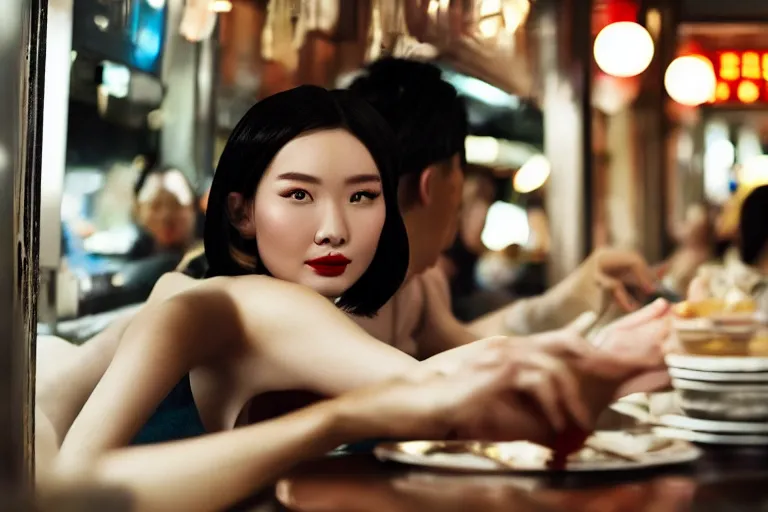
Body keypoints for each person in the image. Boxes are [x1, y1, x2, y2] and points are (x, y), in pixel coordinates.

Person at [47, 86, 655, 510]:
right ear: (241, 210)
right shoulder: (203, 301)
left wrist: (597, 356)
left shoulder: (341, 305)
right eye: (299, 195)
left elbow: (433, 377)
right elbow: (68, 493)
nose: (334, 227)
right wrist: (338, 421)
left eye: (362, 196)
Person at [347, 58, 668, 353]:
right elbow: (431, 379)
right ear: (431, 184)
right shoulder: (339, 291)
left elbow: (468, 350)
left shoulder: (415, 284)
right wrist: (601, 349)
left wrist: (576, 295)